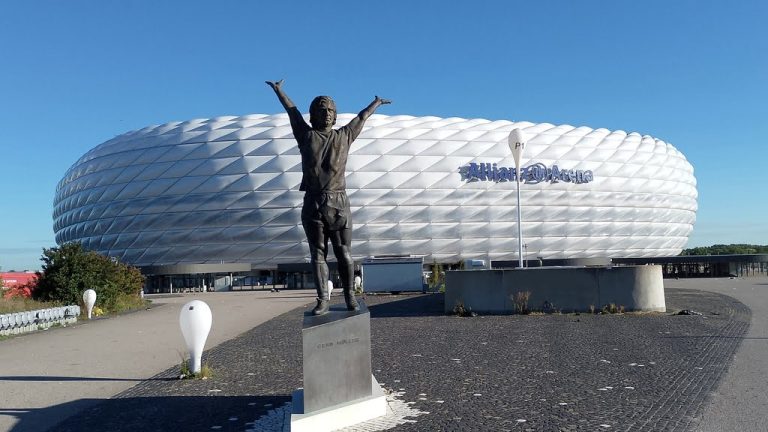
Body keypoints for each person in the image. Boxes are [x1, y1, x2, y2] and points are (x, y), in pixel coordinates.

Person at [266, 79, 391, 315]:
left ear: (336, 116)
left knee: (344, 252)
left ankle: (349, 297)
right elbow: (292, 112)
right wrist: (279, 91)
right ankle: (323, 299)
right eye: (321, 110)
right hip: (313, 201)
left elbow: (362, 117)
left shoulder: (344, 136)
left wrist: (375, 103)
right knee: (318, 254)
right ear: (312, 116)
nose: (326, 113)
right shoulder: (306, 135)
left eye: (330, 110)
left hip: (339, 203)